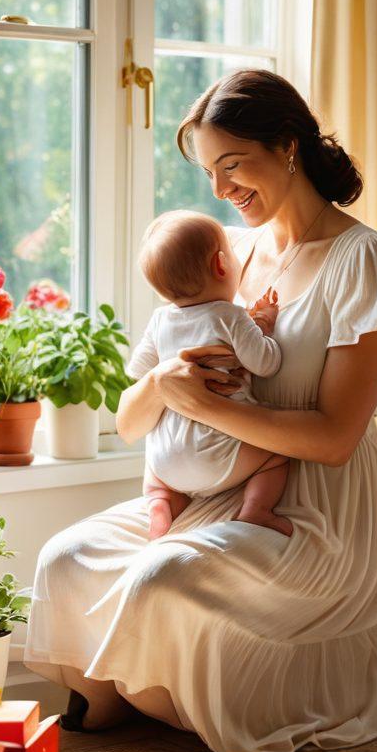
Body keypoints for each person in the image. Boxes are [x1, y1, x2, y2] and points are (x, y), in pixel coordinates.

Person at [23, 69, 377, 752]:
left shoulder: (365, 261)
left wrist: (202, 404)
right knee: (66, 556)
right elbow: (133, 410)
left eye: (232, 166)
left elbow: (332, 438)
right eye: (210, 172)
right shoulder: (237, 256)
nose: (220, 190)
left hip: (319, 515)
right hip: (221, 491)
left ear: (288, 146)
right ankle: (114, 696)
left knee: (160, 575)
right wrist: (166, 385)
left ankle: (213, 699)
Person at [131, 208, 290, 540]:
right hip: (218, 454)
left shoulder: (160, 320)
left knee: (155, 466)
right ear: (221, 264)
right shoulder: (230, 316)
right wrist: (264, 328)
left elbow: (140, 371)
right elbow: (266, 363)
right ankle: (257, 511)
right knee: (278, 454)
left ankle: (160, 501)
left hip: (166, 459)